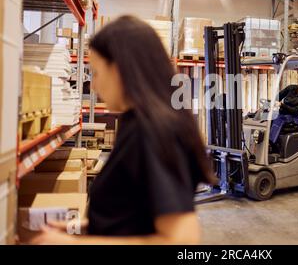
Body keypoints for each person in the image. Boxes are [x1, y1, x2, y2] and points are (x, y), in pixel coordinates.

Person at [30, 16, 214, 245]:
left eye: (96, 72)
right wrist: (74, 228)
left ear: (119, 70)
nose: (94, 85)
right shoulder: (133, 123)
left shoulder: (153, 132)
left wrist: (74, 244)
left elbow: (180, 240)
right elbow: (132, 216)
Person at [269, 73, 298, 145]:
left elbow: (296, 111)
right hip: (282, 113)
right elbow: (277, 97)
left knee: (278, 119)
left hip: (294, 117)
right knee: (266, 117)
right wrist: (270, 104)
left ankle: (271, 143)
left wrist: (282, 105)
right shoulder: (291, 88)